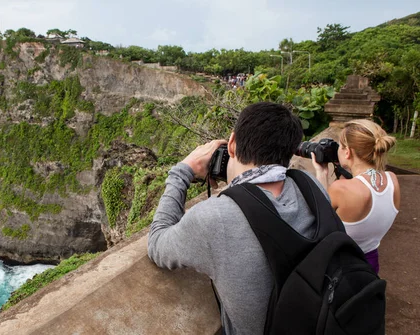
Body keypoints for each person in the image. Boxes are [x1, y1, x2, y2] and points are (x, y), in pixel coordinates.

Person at [148, 102, 327, 334]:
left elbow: (157, 242)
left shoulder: (216, 218)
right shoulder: (311, 186)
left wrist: (182, 170)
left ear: (231, 144)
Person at [311, 119, 400, 274]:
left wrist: (321, 173)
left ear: (348, 152)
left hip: (341, 268)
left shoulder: (342, 188)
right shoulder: (392, 180)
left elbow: (318, 221)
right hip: (370, 264)